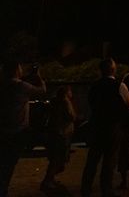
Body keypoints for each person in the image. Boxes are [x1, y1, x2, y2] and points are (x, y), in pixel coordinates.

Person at [80, 57, 129, 197]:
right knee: (109, 160)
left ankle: (85, 188)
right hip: (112, 126)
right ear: (113, 69)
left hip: (97, 126)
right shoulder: (120, 86)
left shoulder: (94, 86)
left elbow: (90, 102)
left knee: (92, 159)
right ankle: (106, 189)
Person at [0, 59, 47, 197]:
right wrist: (38, 77)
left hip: (2, 130)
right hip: (16, 132)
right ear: (16, 70)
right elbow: (42, 91)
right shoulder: (22, 87)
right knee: (9, 165)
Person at [40, 85, 76, 191]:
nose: (71, 93)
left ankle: (50, 179)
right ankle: (48, 180)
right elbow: (71, 116)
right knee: (58, 159)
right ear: (66, 93)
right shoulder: (65, 102)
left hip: (55, 133)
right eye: (70, 91)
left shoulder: (54, 102)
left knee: (55, 159)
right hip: (61, 134)